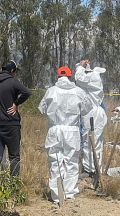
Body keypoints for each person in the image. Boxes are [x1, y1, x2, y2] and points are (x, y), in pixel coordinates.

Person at [38, 66, 92, 204]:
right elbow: (86, 109)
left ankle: (57, 195)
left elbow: (42, 109)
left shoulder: (51, 91)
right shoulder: (79, 92)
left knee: (55, 161)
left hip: (55, 130)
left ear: (57, 76)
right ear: (70, 76)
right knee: (71, 162)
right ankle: (70, 193)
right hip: (71, 130)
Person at [75, 60, 107, 180]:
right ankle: (91, 168)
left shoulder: (93, 77)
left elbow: (78, 78)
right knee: (89, 140)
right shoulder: (91, 79)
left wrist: (80, 66)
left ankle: (93, 169)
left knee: (93, 141)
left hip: (93, 113)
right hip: (91, 112)